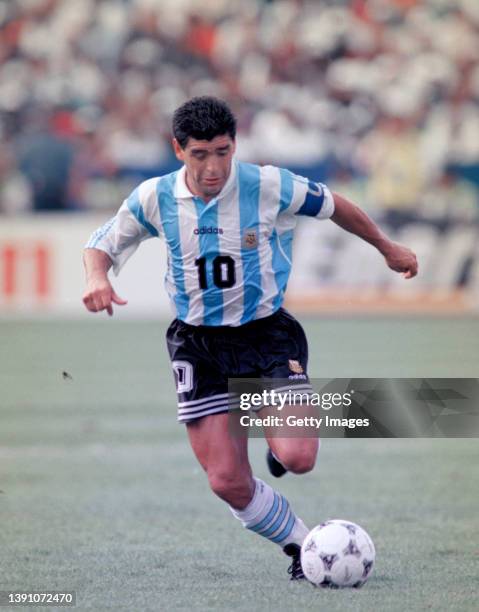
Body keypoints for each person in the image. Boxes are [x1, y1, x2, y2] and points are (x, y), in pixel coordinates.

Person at [82, 96, 417, 580]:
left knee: (298, 458)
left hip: (266, 337)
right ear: (179, 150)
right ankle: (303, 548)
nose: (213, 166)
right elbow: (103, 242)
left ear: (234, 145)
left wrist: (386, 247)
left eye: (222, 151)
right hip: (198, 347)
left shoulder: (268, 184)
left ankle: (277, 445)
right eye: (200, 154)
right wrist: (97, 278)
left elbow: (335, 206)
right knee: (226, 481)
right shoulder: (153, 197)